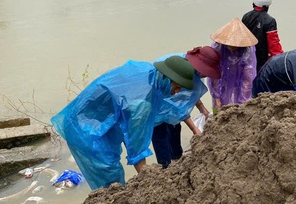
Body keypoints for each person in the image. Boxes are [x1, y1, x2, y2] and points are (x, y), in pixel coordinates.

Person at [50, 56, 197, 190]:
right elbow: (136, 149)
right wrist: (151, 186)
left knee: (113, 175)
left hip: (98, 120)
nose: (176, 92)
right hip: (85, 130)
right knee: (111, 181)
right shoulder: (142, 102)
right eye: (176, 86)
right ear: (166, 78)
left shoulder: (148, 72)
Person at [151, 46, 220, 169]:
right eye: (207, 71)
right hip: (158, 104)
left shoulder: (194, 71)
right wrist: (195, 129)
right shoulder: (180, 70)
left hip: (172, 105)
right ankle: (165, 169)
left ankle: (176, 159)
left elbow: (189, 95)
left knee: (174, 126)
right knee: (161, 135)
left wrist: (202, 109)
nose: (207, 75)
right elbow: (177, 108)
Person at [208, 18, 258, 113]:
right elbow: (214, 74)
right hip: (222, 76)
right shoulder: (217, 47)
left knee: (240, 105)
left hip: (239, 76)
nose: (232, 47)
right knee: (218, 107)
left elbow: (248, 78)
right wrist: (216, 98)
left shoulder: (247, 50)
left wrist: (242, 102)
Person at [242, 0, 284, 72]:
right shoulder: (270, 21)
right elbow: (274, 47)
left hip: (247, 62)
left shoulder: (246, 17)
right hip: (263, 64)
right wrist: (281, 63)